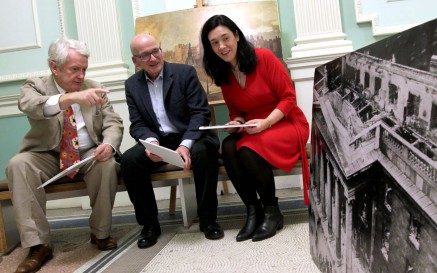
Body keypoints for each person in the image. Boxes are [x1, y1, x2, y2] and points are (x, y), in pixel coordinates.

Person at [5, 38, 124, 273]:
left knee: (107, 165)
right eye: (74, 69)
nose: (81, 76)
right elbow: (29, 105)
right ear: (54, 67)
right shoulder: (35, 85)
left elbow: (113, 122)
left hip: (88, 154)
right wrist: (69, 98)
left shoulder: (94, 85)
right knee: (18, 165)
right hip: (47, 154)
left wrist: (109, 145)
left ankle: (100, 233)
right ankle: (38, 245)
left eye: (84, 69)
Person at [200, 15, 310, 242]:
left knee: (248, 149)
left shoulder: (264, 57)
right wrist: (237, 123)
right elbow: (235, 111)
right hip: (254, 126)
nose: (221, 46)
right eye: (214, 42)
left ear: (237, 36)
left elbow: (289, 98)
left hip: (285, 121)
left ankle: (272, 210)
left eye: (225, 38)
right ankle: (253, 209)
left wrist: (266, 123)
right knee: (228, 146)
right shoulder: (223, 74)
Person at [120, 34, 223, 249]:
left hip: (192, 135)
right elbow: (137, 124)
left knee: (204, 153)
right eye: (145, 55)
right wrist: (151, 143)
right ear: (135, 61)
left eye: (155, 51)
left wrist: (185, 145)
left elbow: (200, 113)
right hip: (158, 140)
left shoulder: (185, 73)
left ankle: (208, 220)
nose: (153, 58)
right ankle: (149, 225)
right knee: (129, 161)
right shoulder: (132, 85)